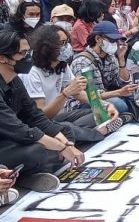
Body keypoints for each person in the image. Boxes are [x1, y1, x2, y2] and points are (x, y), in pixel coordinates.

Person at [0, 30, 84, 192]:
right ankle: (22, 177)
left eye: (28, 52)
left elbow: (35, 116)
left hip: (15, 140)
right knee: (37, 151)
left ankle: (23, 174)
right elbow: (17, 128)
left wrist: (64, 143)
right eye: (22, 53)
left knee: (66, 133)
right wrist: (59, 147)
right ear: (2, 57)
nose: (27, 58)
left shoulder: (15, 81)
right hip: (7, 142)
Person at [21, 25, 125, 142]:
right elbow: (40, 116)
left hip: (58, 117)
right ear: (47, 46)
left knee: (100, 112)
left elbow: (79, 93)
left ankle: (80, 133)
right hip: (39, 123)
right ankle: (96, 133)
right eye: (62, 43)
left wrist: (104, 105)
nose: (67, 47)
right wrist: (65, 93)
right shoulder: (32, 72)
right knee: (67, 127)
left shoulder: (62, 65)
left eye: (67, 42)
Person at [70, 21, 134, 114]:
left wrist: (121, 59)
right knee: (119, 104)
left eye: (117, 41)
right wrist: (119, 93)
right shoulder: (82, 62)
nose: (115, 44)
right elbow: (89, 95)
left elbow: (122, 83)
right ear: (98, 39)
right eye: (112, 40)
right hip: (81, 104)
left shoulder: (110, 57)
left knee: (133, 98)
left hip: (106, 96)